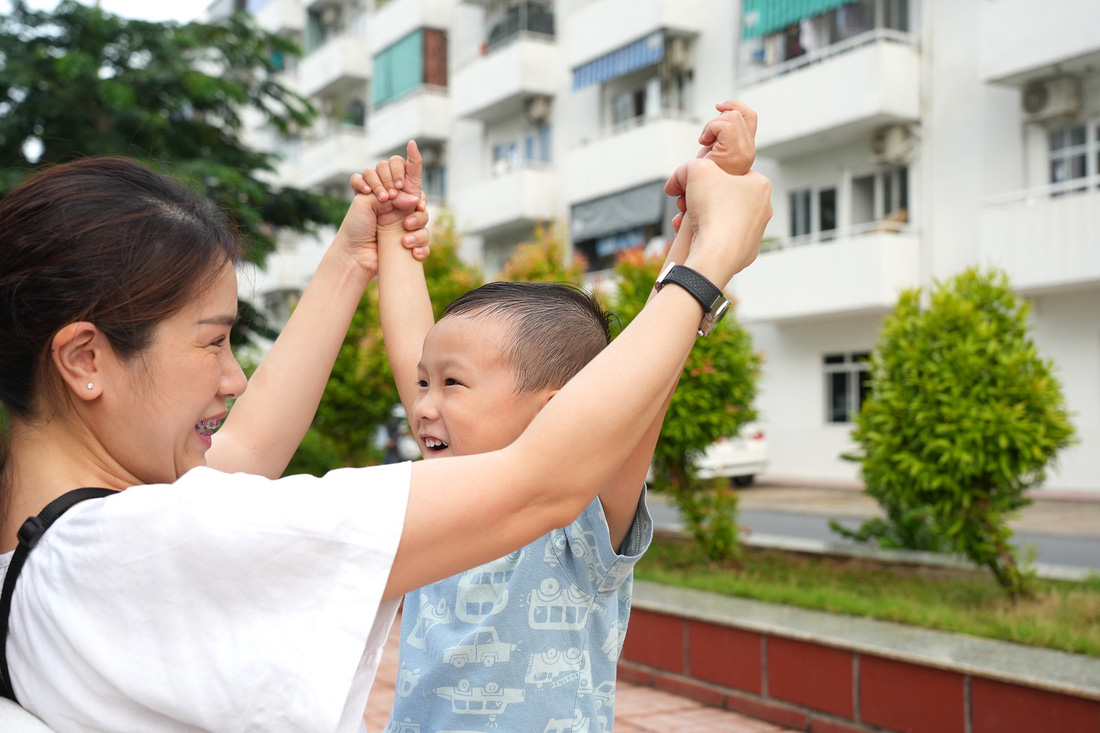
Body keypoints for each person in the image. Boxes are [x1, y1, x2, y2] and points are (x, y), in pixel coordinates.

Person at [0, 127, 770, 731]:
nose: (235, 379)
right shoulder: (133, 545)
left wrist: (359, 254)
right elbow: (541, 475)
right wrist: (707, 264)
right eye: (212, 339)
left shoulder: (45, 555)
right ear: (85, 359)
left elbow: (243, 453)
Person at [350, 101, 758, 732]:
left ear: (560, 407)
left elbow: (649, 371)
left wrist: (705, 221)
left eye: (452, 383)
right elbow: (414, 345)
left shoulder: (578, 521)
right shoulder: (440, 492)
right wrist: (395, 230)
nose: (423, 402)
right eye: (424, 383)